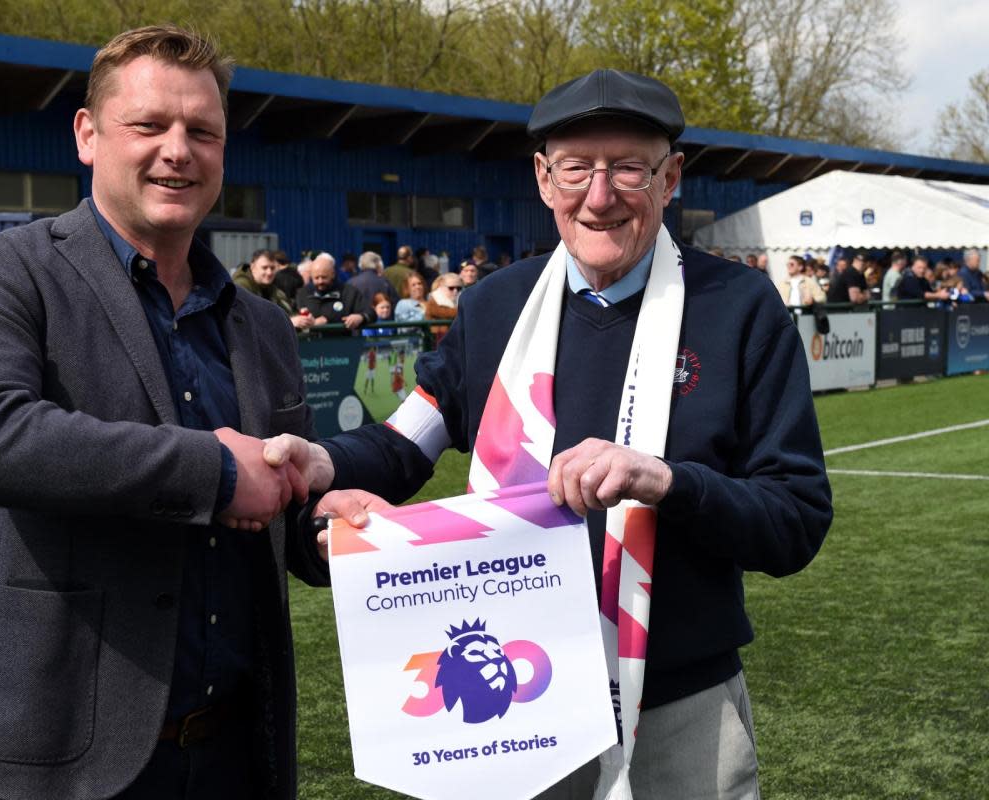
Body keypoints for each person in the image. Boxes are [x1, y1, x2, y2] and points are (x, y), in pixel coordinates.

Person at [270, 68, 831, 800]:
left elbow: (794, 520)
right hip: (517, 706)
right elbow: (405, 443)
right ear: (542, 178)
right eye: (576, 169)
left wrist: (665, 482)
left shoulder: (741, 309)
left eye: (629, 168)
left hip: (679, 704)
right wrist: (324, 463)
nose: (600, 196)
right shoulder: (495, 307)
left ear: (672, 179)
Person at [0, 26, 333, 800]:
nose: (178, 150)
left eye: (202, 131)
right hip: (53, 753)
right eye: (149, 125)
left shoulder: (263, 325)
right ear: (87, 134)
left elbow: (279, 500)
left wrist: (335, 528)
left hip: (235, 752)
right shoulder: (3, 270)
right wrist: (212, 471)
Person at [232, 248, 309, 328]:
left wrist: (302, 317)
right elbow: (249, 319)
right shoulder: (241, 286)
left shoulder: (272, 286)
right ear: (252, 267)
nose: (269, 272)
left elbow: (284, 309)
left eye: (272, 268)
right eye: (264, 268)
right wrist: (289, 321)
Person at [295, 252, 370, 329]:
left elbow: (370, 312)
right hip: (311, 339)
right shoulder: (303, 293)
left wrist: (361, 317)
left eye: (324, 277)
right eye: (316, 278)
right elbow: (289, 314)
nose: (320, 281)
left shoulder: (348, 292)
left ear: (333, 274)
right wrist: (295, 320)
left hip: (341, 339)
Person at [423, 274, 461, 342]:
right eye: (451, 288)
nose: (455, 291)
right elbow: (448, 313)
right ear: (441, 286)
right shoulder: (434, 301)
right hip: (438, 340)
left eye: (458, 288)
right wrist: (463, 310)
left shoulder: (458, 300)